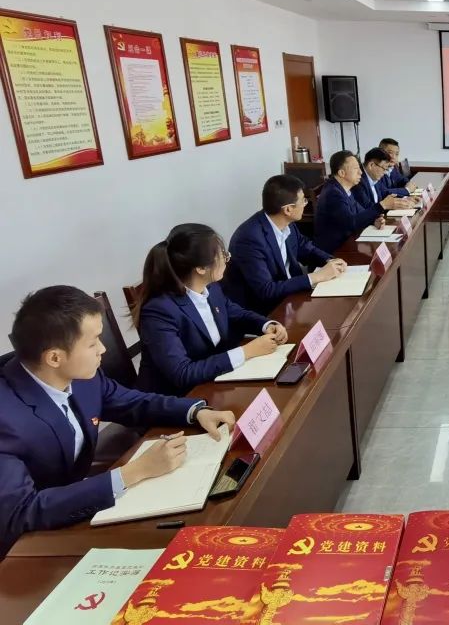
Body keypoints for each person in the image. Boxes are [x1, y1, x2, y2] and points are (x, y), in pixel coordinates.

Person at [0, 285, 236, 556]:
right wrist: (134, 472)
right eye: (92, 343)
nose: (102, 349)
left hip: (78, 506)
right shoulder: (6, 418)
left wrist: (195, 411)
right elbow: (21, 513)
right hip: (28, 548)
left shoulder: (82, 376)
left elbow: (132, 402)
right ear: (54, 357)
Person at [134, 223, 288, 396]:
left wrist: (266, 325)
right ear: (201, 268)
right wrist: (246, 352)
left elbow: (235, 312)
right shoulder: (158, 311)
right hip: (177, 398)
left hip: (214, 382)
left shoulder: (211, 287)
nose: (226, 259)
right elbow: (182, 373)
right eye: (222, 255)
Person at [222, 175, 348, 315]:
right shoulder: (249, 239)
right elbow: (266, 290)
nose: (305, 204)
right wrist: (316, 277)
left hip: (292, 296)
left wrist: (330, 260)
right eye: (303, 200)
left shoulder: (286, 223)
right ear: (288, 209)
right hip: (265, 311)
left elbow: (305, 247)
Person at [314, 150, 400, 254]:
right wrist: (382, 205)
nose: (360, 172)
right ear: (342, 173)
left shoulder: (345, 188)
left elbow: (360, 212)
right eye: (356, 169)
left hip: (348, 243)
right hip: (334, 251)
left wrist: (374, 220)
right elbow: (351, 223)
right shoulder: (333, 193)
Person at [351, 147, 415, 211]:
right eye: (384, 168)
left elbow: (385, 192)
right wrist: (390, 205)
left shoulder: (374, 176)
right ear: (371, 165)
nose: (384, 172)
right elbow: (368, 207)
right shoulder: (358, 181)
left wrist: (404, 199)